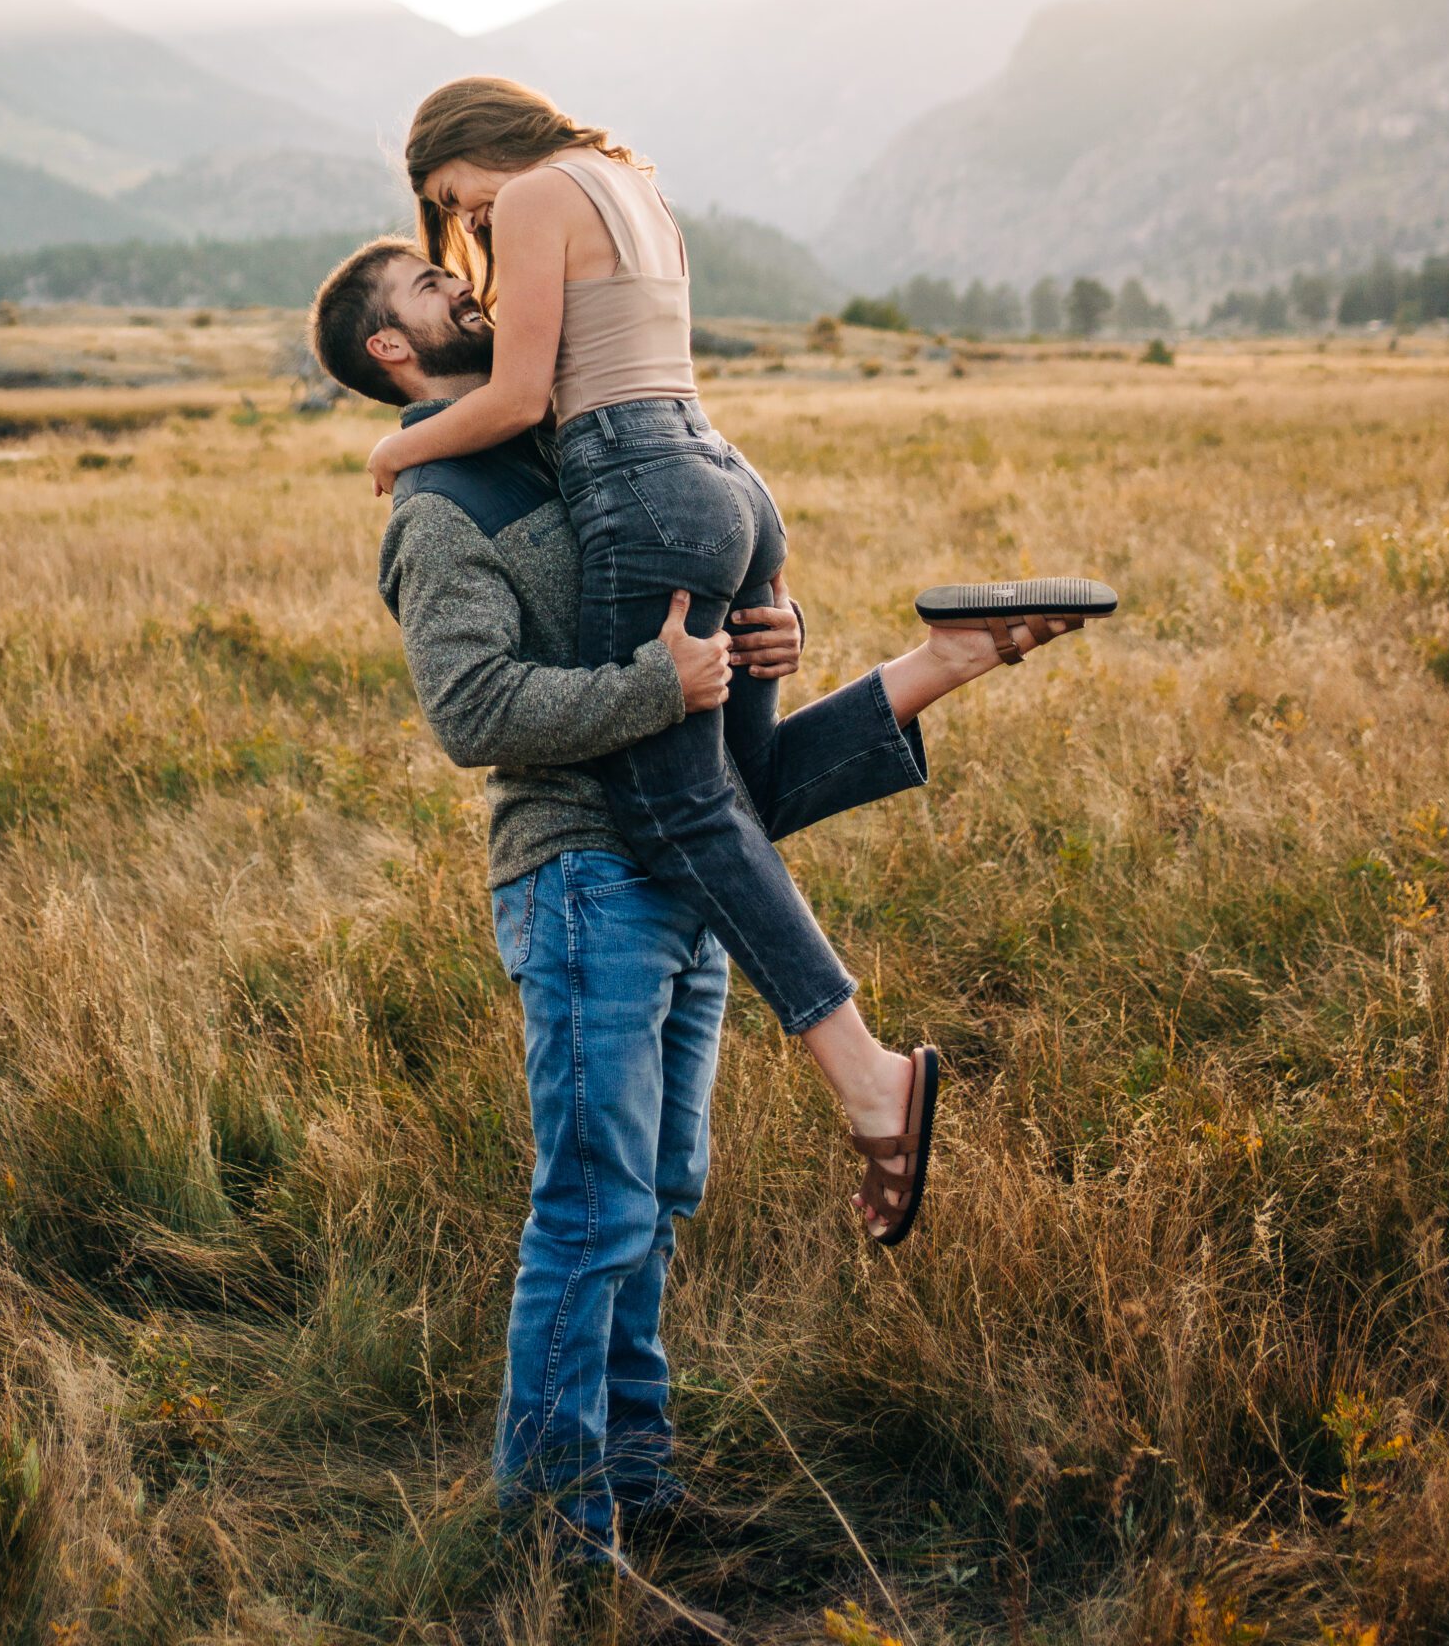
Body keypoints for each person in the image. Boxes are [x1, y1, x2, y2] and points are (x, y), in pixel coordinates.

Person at [311, 236, 1079, 1564]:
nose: (471, 293)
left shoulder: (565, 445)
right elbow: (471, 711)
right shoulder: (437, 510)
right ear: (392, 351)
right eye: (436, 291)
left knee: (660, 1195)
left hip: (684, 878)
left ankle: (643, 1490)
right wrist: (659, 689)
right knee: (592, 1207)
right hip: (578, 882)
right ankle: (558, 1534)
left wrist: (755, 643)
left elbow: (689, 666)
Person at [362, 78, 1092, 1246]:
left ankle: (864, 1074)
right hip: (724, 474)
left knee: (676, 808)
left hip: (643, 482)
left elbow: (514, 393)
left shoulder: (545, 189)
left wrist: (392, 453)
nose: (476, 227)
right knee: (731, 796)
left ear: (474, 148)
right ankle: (942, 658)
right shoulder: (632, 186)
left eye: (461, 202)